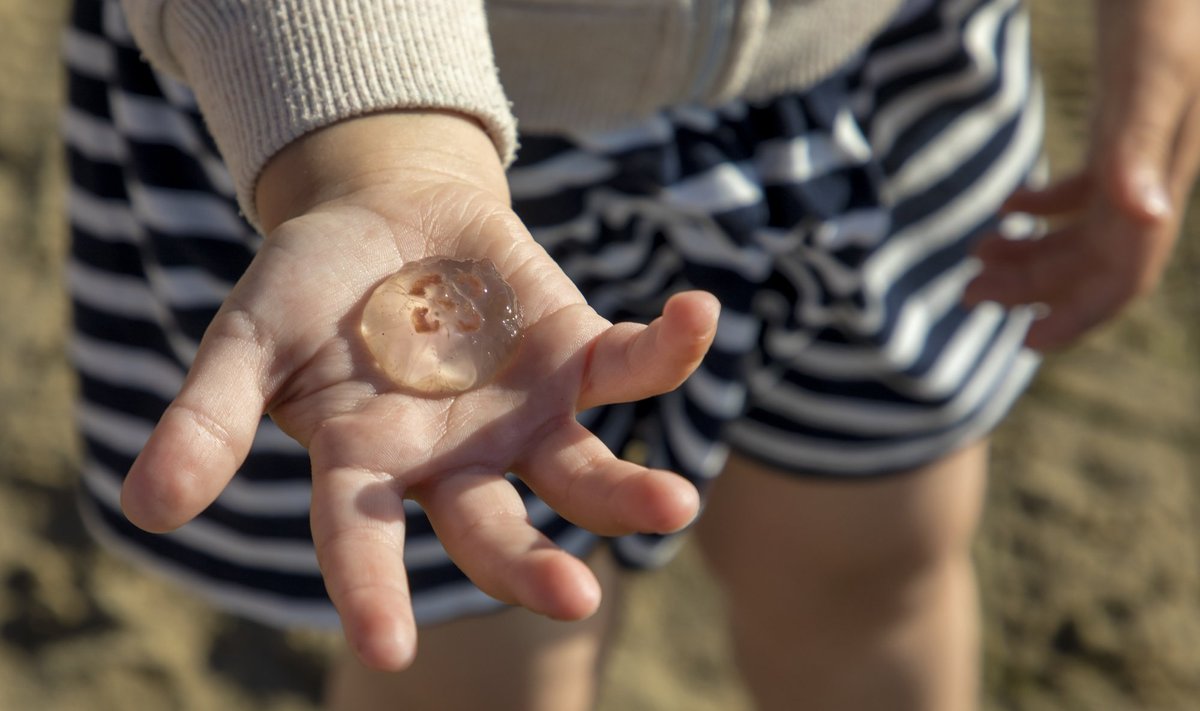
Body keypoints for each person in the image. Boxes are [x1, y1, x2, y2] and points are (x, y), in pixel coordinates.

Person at [62, 0, 1199, 709]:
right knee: (478, 636)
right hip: (363, 111)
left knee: (875, 559)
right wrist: (376, 148)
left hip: (877, 71)